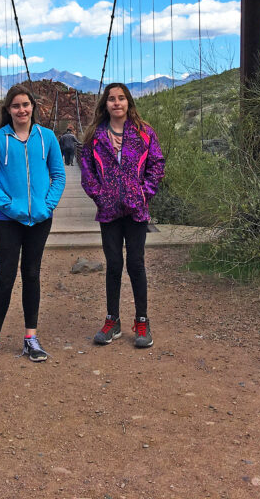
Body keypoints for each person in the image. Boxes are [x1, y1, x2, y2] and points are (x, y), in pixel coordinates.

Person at [0, 84, 66, 363]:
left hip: (39, 220)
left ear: (33, 108)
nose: (22, 110)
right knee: (5, 275)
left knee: (31, 274)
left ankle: (30, 338)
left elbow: (59, 175)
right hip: (7, 220)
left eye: (26, 104)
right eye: (16, 105)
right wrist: (9, 205)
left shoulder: (47, 137)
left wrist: (47, 205)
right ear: (8, 110)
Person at [79, 82, 165, 348]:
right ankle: (112, 320)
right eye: (111, 99)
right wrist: (100, 195)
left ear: (128, 102)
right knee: (114, 264)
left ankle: (142, 321)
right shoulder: (95, 135)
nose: (117, 103)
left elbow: (157, 164)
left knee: (136, 264)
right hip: (109, 211)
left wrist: (144, 193)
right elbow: (87, 170)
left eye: (121, 98)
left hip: (136, 210)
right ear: (105, 104)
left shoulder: (144, 133)